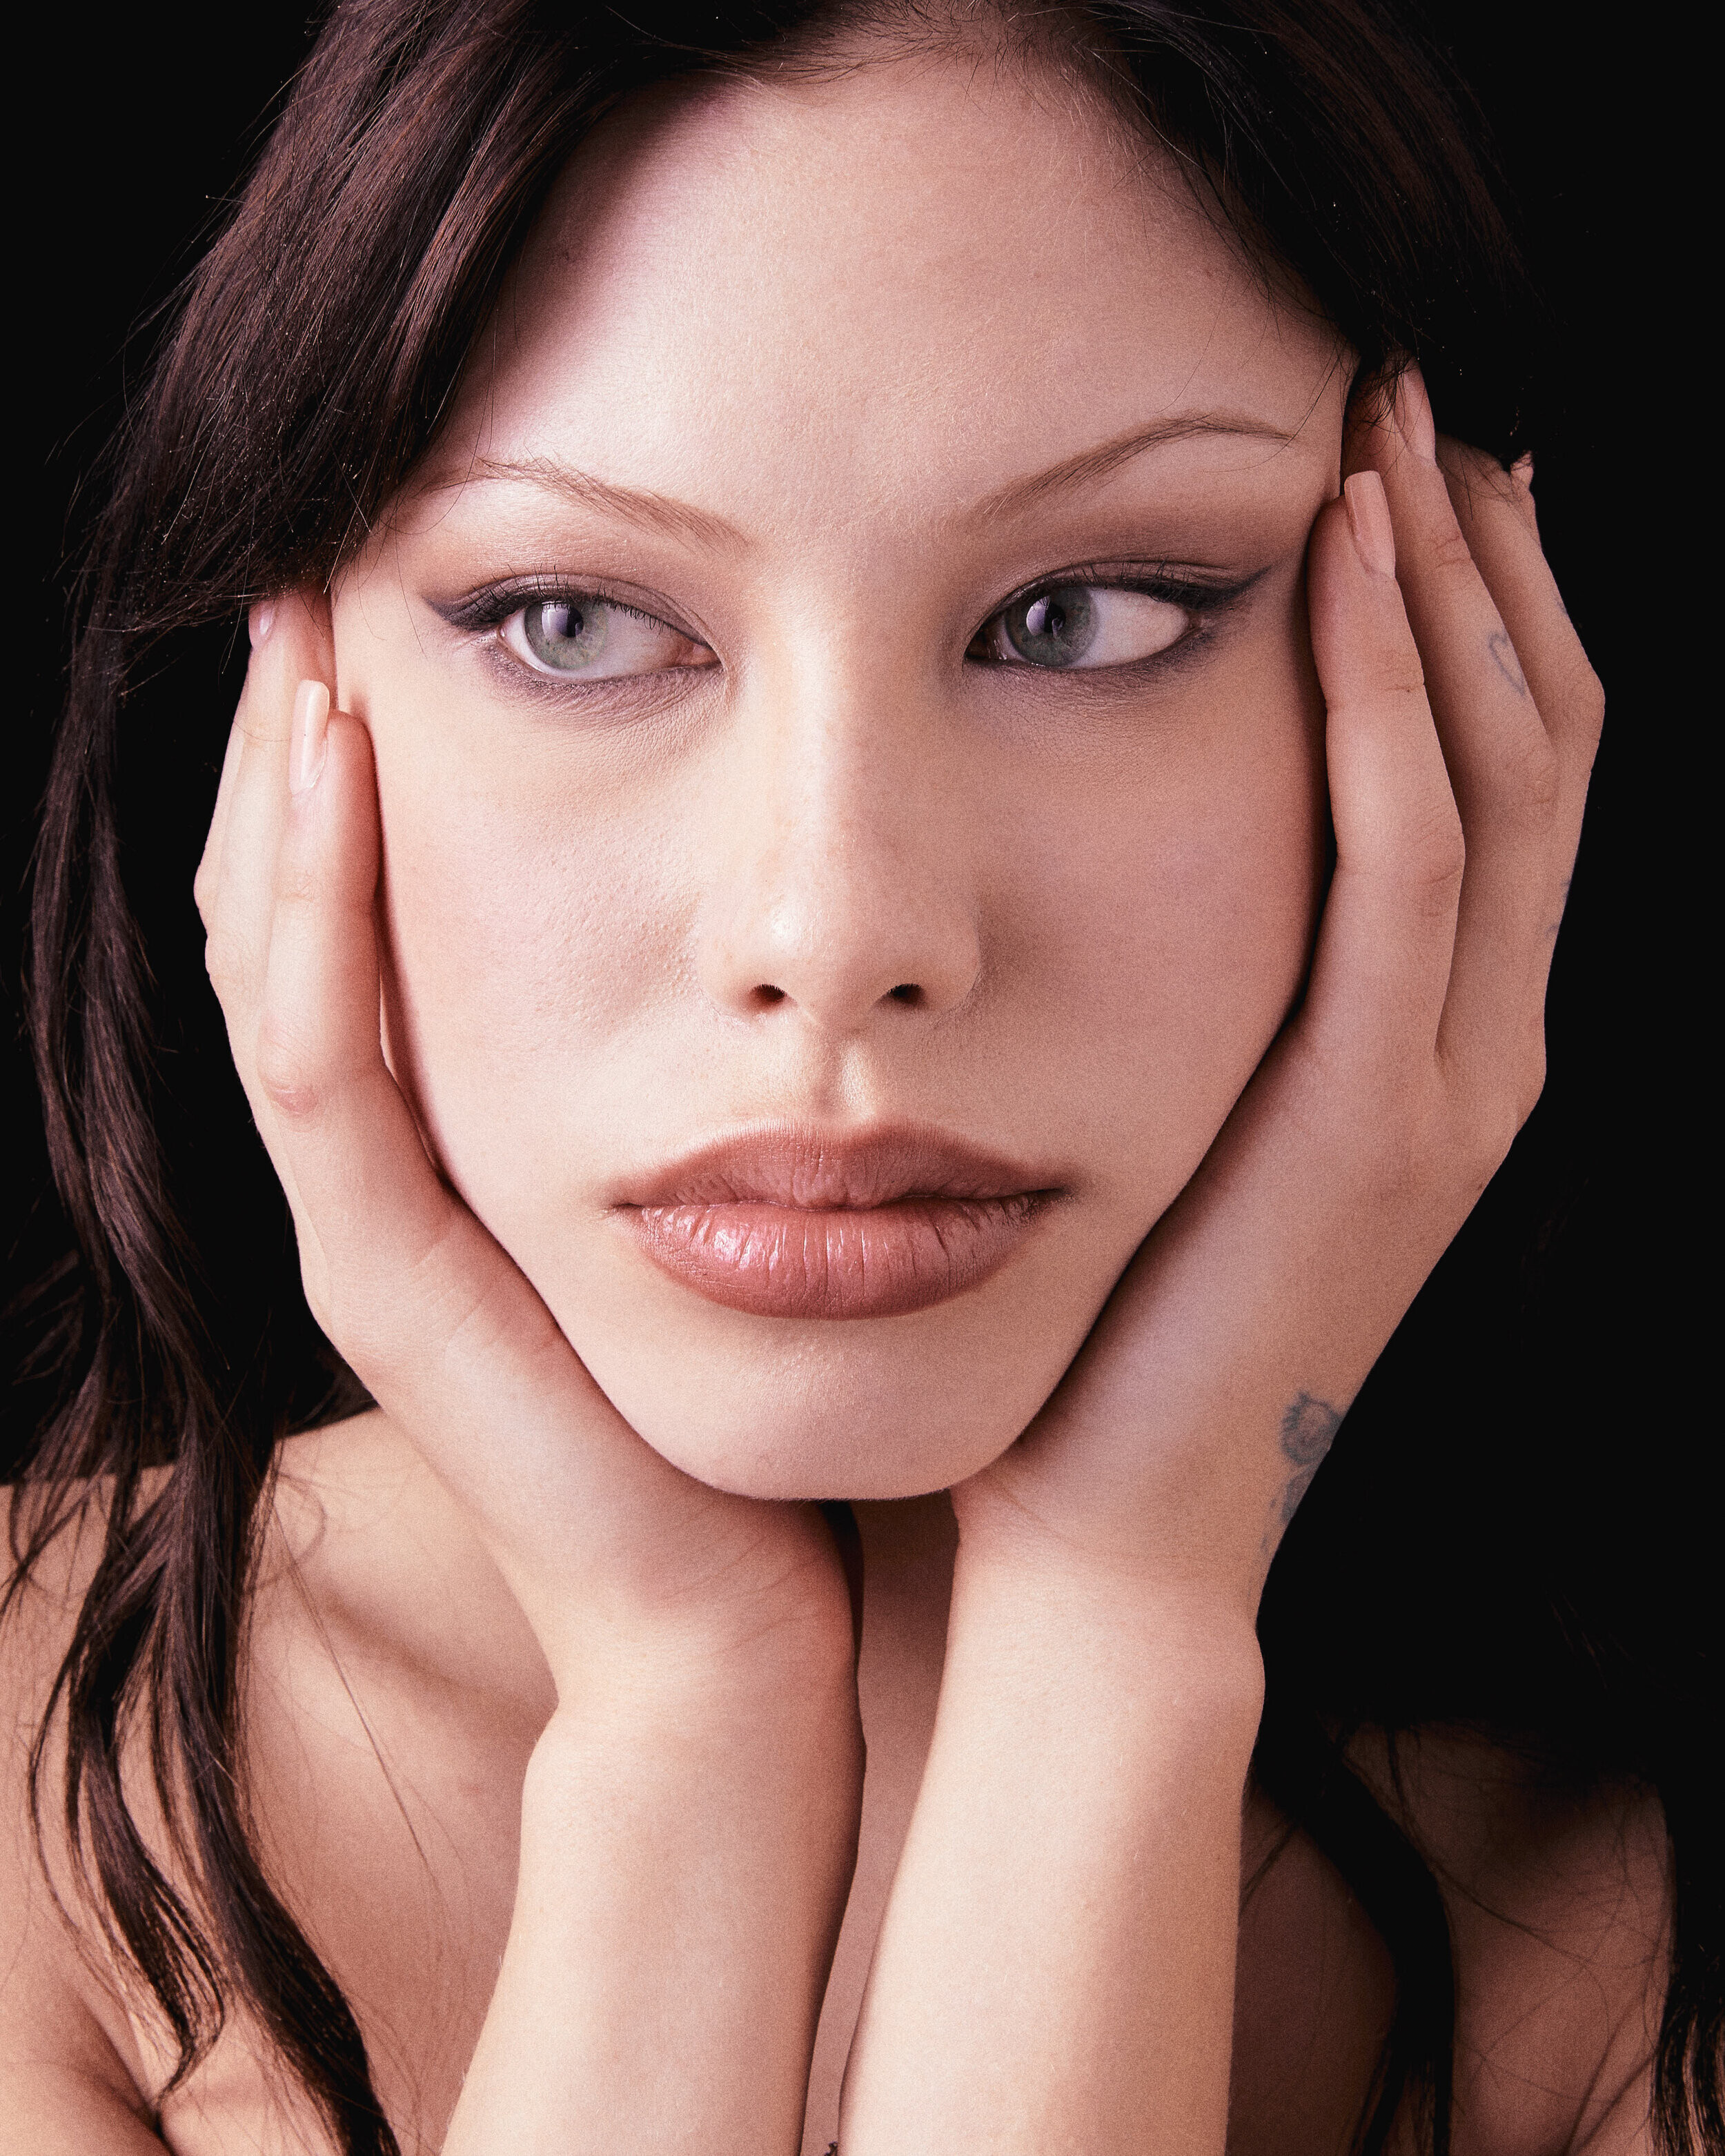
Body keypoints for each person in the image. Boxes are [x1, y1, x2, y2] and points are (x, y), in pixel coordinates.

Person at [1, 1, 1716, 2150]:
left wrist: (1111, 1645)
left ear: (1471, 690)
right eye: (566, 621)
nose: (835, 928)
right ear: (284, 702)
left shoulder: (1623, 1921)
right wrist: (683, 1722)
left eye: (1090, 614)